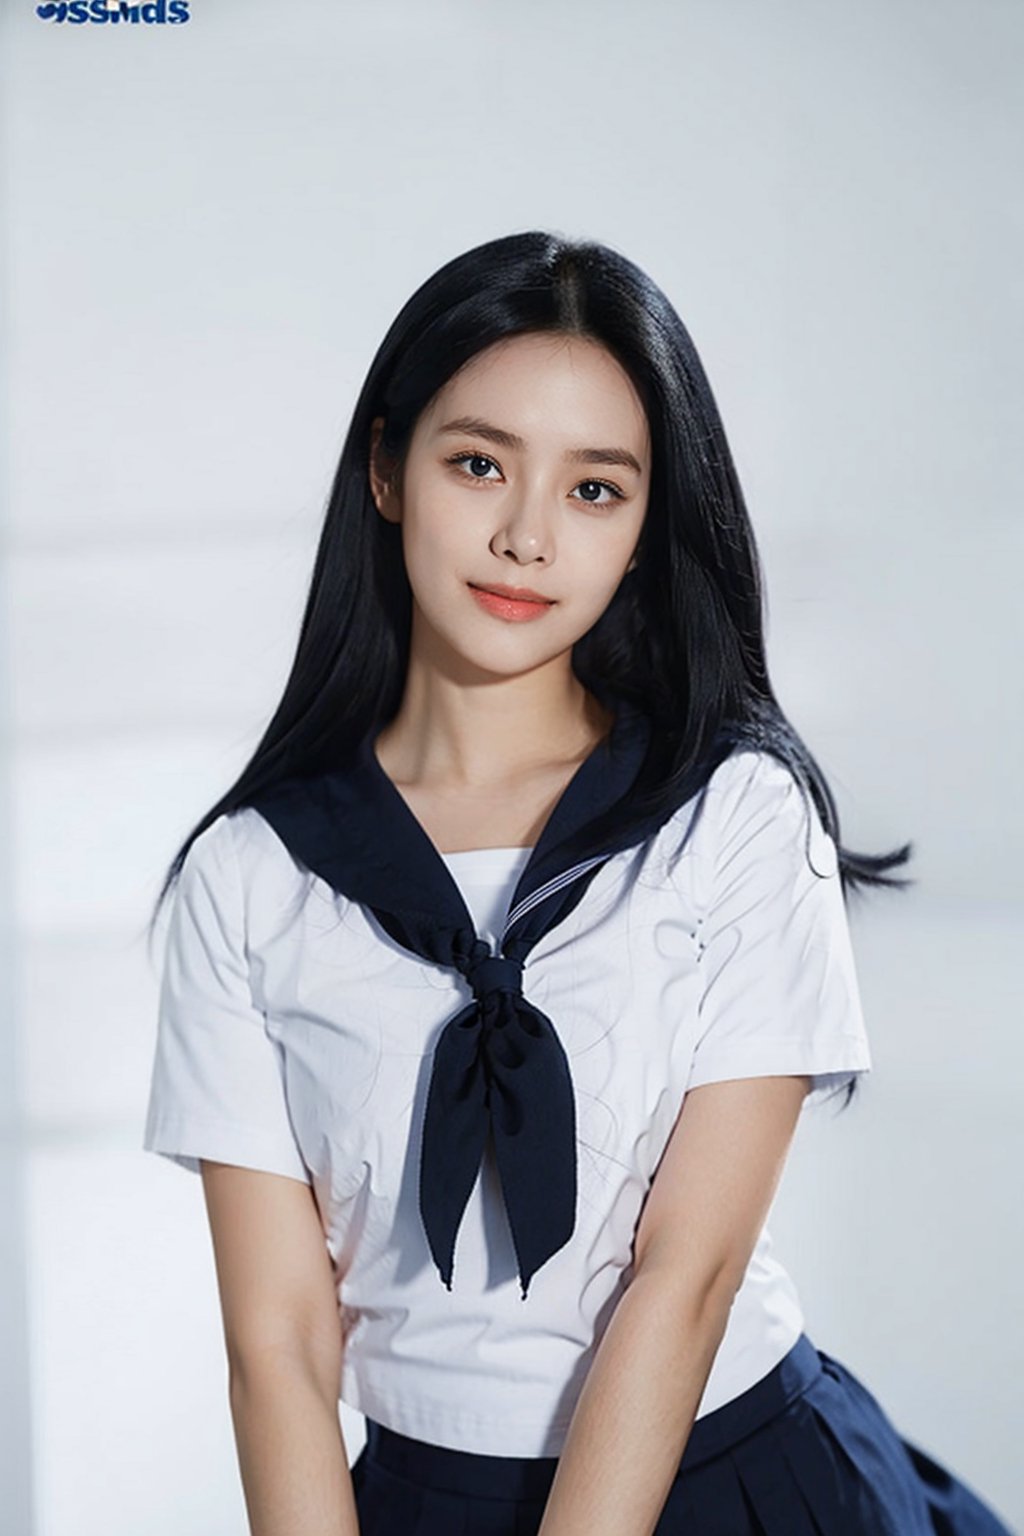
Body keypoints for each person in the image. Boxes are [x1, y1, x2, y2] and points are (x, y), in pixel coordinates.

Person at [142, 230, 1013, 1536]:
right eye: (479, 462)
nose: (526, 536)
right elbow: (278, 1346)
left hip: (733, 1476)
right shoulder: (250, 876)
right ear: (388, 471)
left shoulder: (734, 813)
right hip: (422, 1495)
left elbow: (689, 1273)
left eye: (596, 489)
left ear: (646, 524)